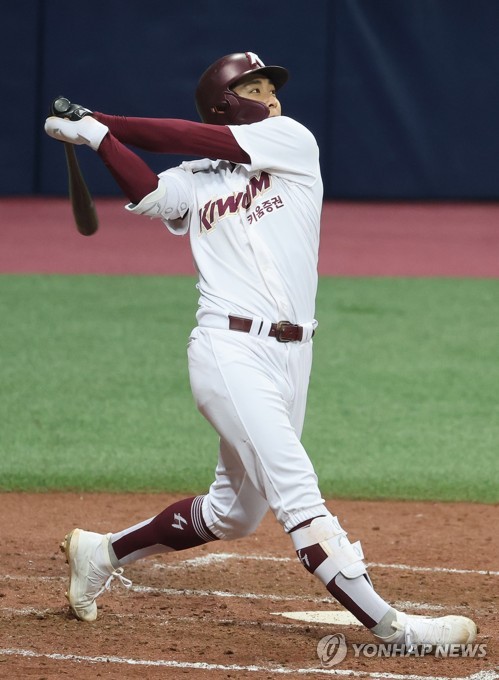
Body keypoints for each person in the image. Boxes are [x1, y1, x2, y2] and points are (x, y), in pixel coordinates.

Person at [45, 52, 476, 651]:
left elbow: (186, 134)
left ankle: (101, 552)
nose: (271, 95)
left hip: (293, 357)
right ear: (226, 101)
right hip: (228, 351)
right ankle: (395, 629)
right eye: (255, 86)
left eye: (271, 85)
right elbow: (148, 192)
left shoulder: (291, 141)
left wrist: (97, 125)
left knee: (233, 514)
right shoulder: (197, 179)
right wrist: (101, 142)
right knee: (296, 491)